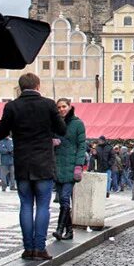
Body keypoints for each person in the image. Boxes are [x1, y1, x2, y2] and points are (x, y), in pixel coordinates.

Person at [0, 73, 66, 260]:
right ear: (38, 86)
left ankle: (28, 248)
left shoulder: (12, 106)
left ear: (21, 87)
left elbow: (0, 132)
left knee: (26, 205)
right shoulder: (48, 105)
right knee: (43, 207)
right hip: (44, 164)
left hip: (22, 163)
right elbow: (62, 130)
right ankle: (40, 247)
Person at [52, 99, 87, 242]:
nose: (61, 109)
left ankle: (59, 229)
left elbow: (82, 146)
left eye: (64, 106)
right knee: (62, 200)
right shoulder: (54, 123)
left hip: (71, 167)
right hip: (57, 167)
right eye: (59, 107)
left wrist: (79, 165)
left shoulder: (78, 124)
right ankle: (70, 230)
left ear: (69, 106)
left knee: (65, 197)